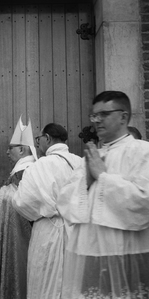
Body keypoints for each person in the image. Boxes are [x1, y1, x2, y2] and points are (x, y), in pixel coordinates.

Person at [57, 91, 149, 298]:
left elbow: (144, 200)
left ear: (124, 117)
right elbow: (64, 203)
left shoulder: (142, 152)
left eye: (104, 114)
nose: (96, 120)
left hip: (127, 252)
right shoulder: (92, 157)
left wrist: (103, 177)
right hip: (89, 253)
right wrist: (87, 182)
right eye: (94, 115)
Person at [12, 123, 82, 299]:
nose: (38, 143)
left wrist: (41, 211)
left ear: (48, 138)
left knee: (45, 284)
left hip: (48, 232)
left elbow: (22, 201)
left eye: (39, 139)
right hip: (78, 232)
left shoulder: (40, 165)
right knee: (73, 283)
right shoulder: (81, 162)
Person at [0, 116, 37, 299]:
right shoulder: (19, 172)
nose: (6, 152)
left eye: (10, 148)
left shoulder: (28, 171)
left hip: (22, 238)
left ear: (22, 149)